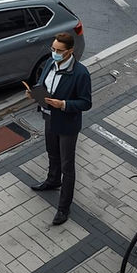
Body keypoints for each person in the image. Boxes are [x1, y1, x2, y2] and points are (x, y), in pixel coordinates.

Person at [27, 32, 92, 226]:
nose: (54, 52)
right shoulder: (50, 63)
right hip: (49, 118)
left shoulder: (80, 73)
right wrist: (35, 93)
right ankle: (53, 180)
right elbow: (43, 83)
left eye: (59, 50)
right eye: (53, 49)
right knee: (52, 153)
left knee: (67, 166)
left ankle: (64, 208)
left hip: (67, 125)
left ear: (70, 51)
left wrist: (63, 104)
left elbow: (85, 103)